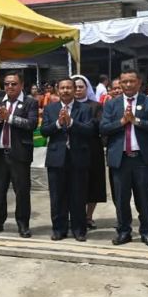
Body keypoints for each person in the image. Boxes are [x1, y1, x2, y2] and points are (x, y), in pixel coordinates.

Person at [100, 69, 148, 247]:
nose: (128, 85)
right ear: (120, 84)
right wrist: (121, 122)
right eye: (124, 82)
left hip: (142, 159)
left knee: (144, 198)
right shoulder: (112, 104)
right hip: (120, 159)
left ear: (139, 83)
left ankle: (147, 232)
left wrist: (136, 121)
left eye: (131, 81)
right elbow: (103, 128)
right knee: (121, 198)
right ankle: (124, 232)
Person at [0, 72, 38, 237]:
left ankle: (23, 224)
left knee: (21, 191)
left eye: (13, 84)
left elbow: (32, 124)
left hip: (19, 154)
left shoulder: (30, 102)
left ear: (21, 85)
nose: (10, 87)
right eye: (7, 84)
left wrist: (10, 118)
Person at [40, 78, 95, 241]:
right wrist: (58, 123)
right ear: (57, 90)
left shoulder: (85, 109)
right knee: (57, 196)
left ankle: (79, 230)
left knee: (78, 196)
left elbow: (90, 130)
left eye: (69, 88)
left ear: (74, 90)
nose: (65, 91)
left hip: (78, 158)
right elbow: (44, 131)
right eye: (62, 88)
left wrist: (71, 123)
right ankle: (59, 229)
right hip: (57, 158)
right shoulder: (50, 109)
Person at [71, 75, 107, 230]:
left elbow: (97, 125)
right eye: (75, 87)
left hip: (92, 148)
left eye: (81, 87)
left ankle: (88, 216)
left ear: (87, 88)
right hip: (72, 149)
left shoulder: (96, 106)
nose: (78, 90)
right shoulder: (66, 105)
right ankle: (74, 215)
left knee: (93, 184)